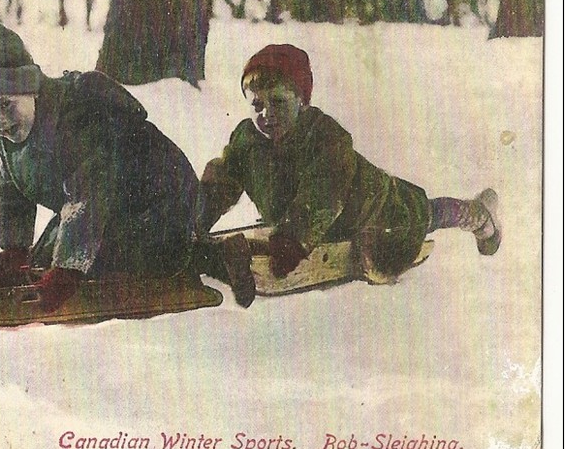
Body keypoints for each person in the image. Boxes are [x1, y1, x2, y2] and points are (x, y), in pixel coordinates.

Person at [197, 43, 501, 290]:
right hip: (313, 224)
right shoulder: (247, 140)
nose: (266, 114)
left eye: (278, 102)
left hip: (375, 209)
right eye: (257, 105)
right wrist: (196, 219)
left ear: (302, 101)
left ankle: (480, 216)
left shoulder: (326, 136)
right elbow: (223, 180)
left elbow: (323, 194)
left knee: (424, 213)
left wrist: (292, 241)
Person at [0, 16, 200, 313]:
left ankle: (206, 255)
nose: (0, 121)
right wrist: (14, 250)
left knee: (104, 267)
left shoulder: (79, 112)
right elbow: (13, 193)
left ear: (30, 87)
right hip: (109, 210)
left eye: (6, 104)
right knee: (42, 261)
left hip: (160, 204)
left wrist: (67, 273)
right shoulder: (12, 135)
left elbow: (90, 192)